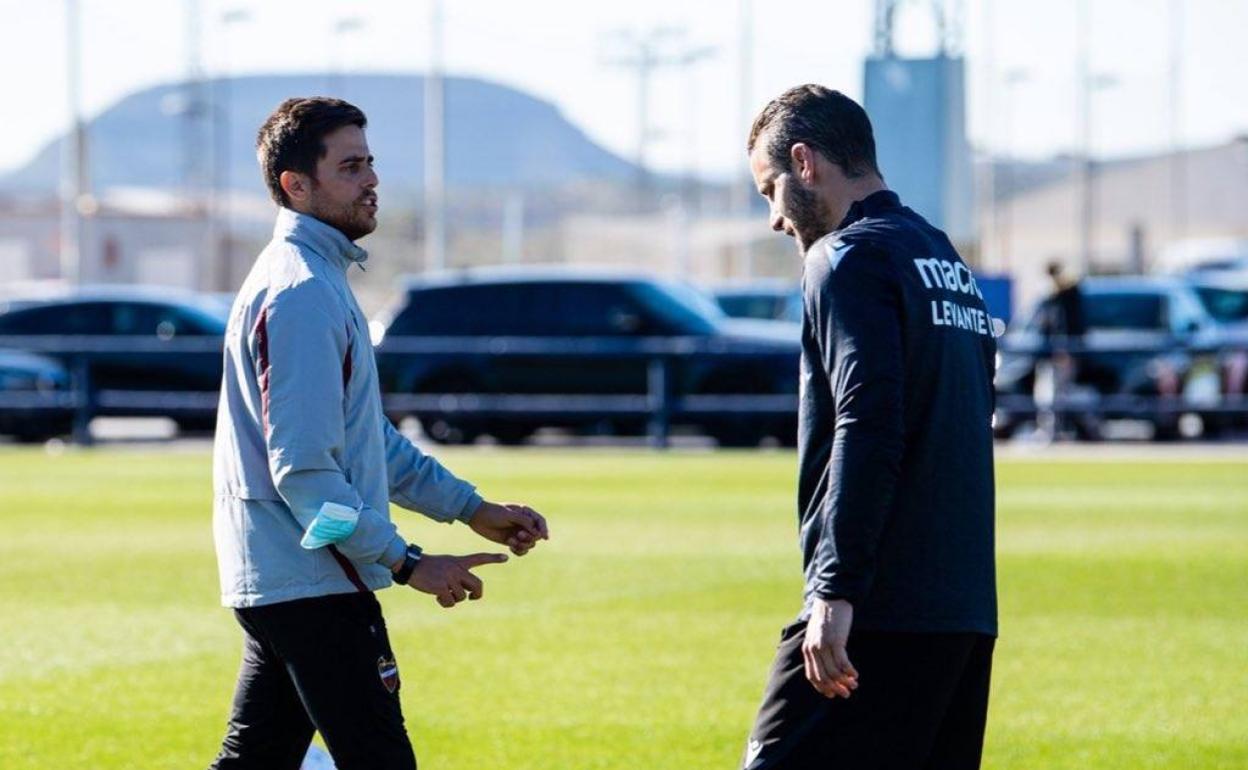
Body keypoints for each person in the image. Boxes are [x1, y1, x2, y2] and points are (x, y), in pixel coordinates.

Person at [209, 97, 549, 770]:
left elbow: (370, 444)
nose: (371, 181)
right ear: (296, 186)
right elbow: (304, 474)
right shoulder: (300, 291)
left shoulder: (318, 279)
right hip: (311, 580)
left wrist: (471, 509)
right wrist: (406, 561)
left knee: (258, 761)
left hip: (293, 579)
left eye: (371, 163)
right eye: (350, 166)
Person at [740, 85, 998, 769]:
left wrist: (834, 589)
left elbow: (868, 420)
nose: (772, 218)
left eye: (769, 190)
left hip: (879, 608)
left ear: (805, 162)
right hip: (963, 610)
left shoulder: (845, 258)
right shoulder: (944, 260)